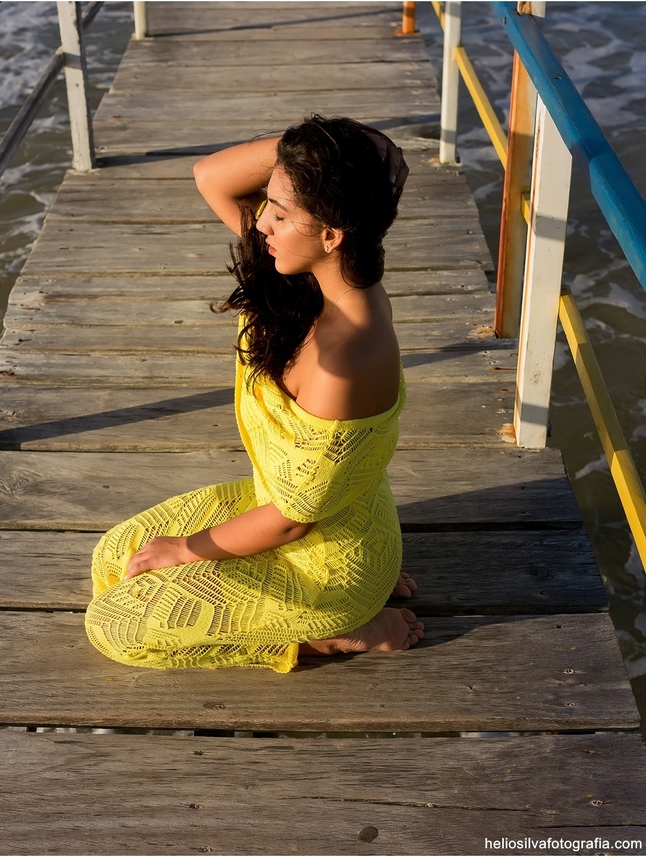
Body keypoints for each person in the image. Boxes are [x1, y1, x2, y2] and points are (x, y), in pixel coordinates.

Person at [84, 115, 424, 671]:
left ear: (331, 233)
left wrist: (184, 551)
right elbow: (210, 176)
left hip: (329, 565)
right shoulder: (304, 268)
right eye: (267, 202)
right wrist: (319, 153)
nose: (261, 222)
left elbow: (295, 521)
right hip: (302, 508)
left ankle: (339, 629)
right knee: (113, 558)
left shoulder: (347, 359)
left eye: (280, 213)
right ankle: (355, 597)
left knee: (114, 626)